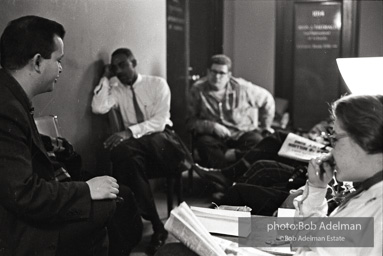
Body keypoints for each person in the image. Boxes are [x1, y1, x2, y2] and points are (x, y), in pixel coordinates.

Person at [155, 94, 383, 256]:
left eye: (335, 139)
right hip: (295, 238)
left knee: (173, 251)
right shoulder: (369, 193)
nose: (330, 149)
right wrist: (316, 190)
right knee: (209, 230)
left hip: (289, 241)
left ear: (365, 140)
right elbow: (318, 236)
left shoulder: (378, 212)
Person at [0, 16, 119, 256]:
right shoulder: (7, 109)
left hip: (20, 215)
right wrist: (86, 190)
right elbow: (23, 194)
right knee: (111, 206)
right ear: (37, 62)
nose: (61, 69)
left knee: (114, 202)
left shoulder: (10, 97)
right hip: (17, 232)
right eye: (58, 60)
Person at [91, 48, 192, 255]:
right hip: (137, 153)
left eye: (123, 65)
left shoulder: (157, 84)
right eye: (114, 67)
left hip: (164, 145)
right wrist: (104, 77)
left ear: (134, 62)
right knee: (127, 158)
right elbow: (98, 107)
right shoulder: (116, 88)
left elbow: (160, 121)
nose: (119, 70)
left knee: (123, 152)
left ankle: (138, 225)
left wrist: (128, 132)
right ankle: (157, 226)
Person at [187, 54, 275, 168]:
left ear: (229, 75)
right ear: (208, 72)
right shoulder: (197, 90)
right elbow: (190, 121)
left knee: (258, 142)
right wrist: (212, 126)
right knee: (204, 143)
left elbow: (267, 99)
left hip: (242, 133)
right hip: (215, 137)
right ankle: (222, 179)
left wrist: (265, 126)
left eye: (221, 73)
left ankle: (238, 175)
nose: (217, 77)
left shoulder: (243, 88)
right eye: (213, 72)